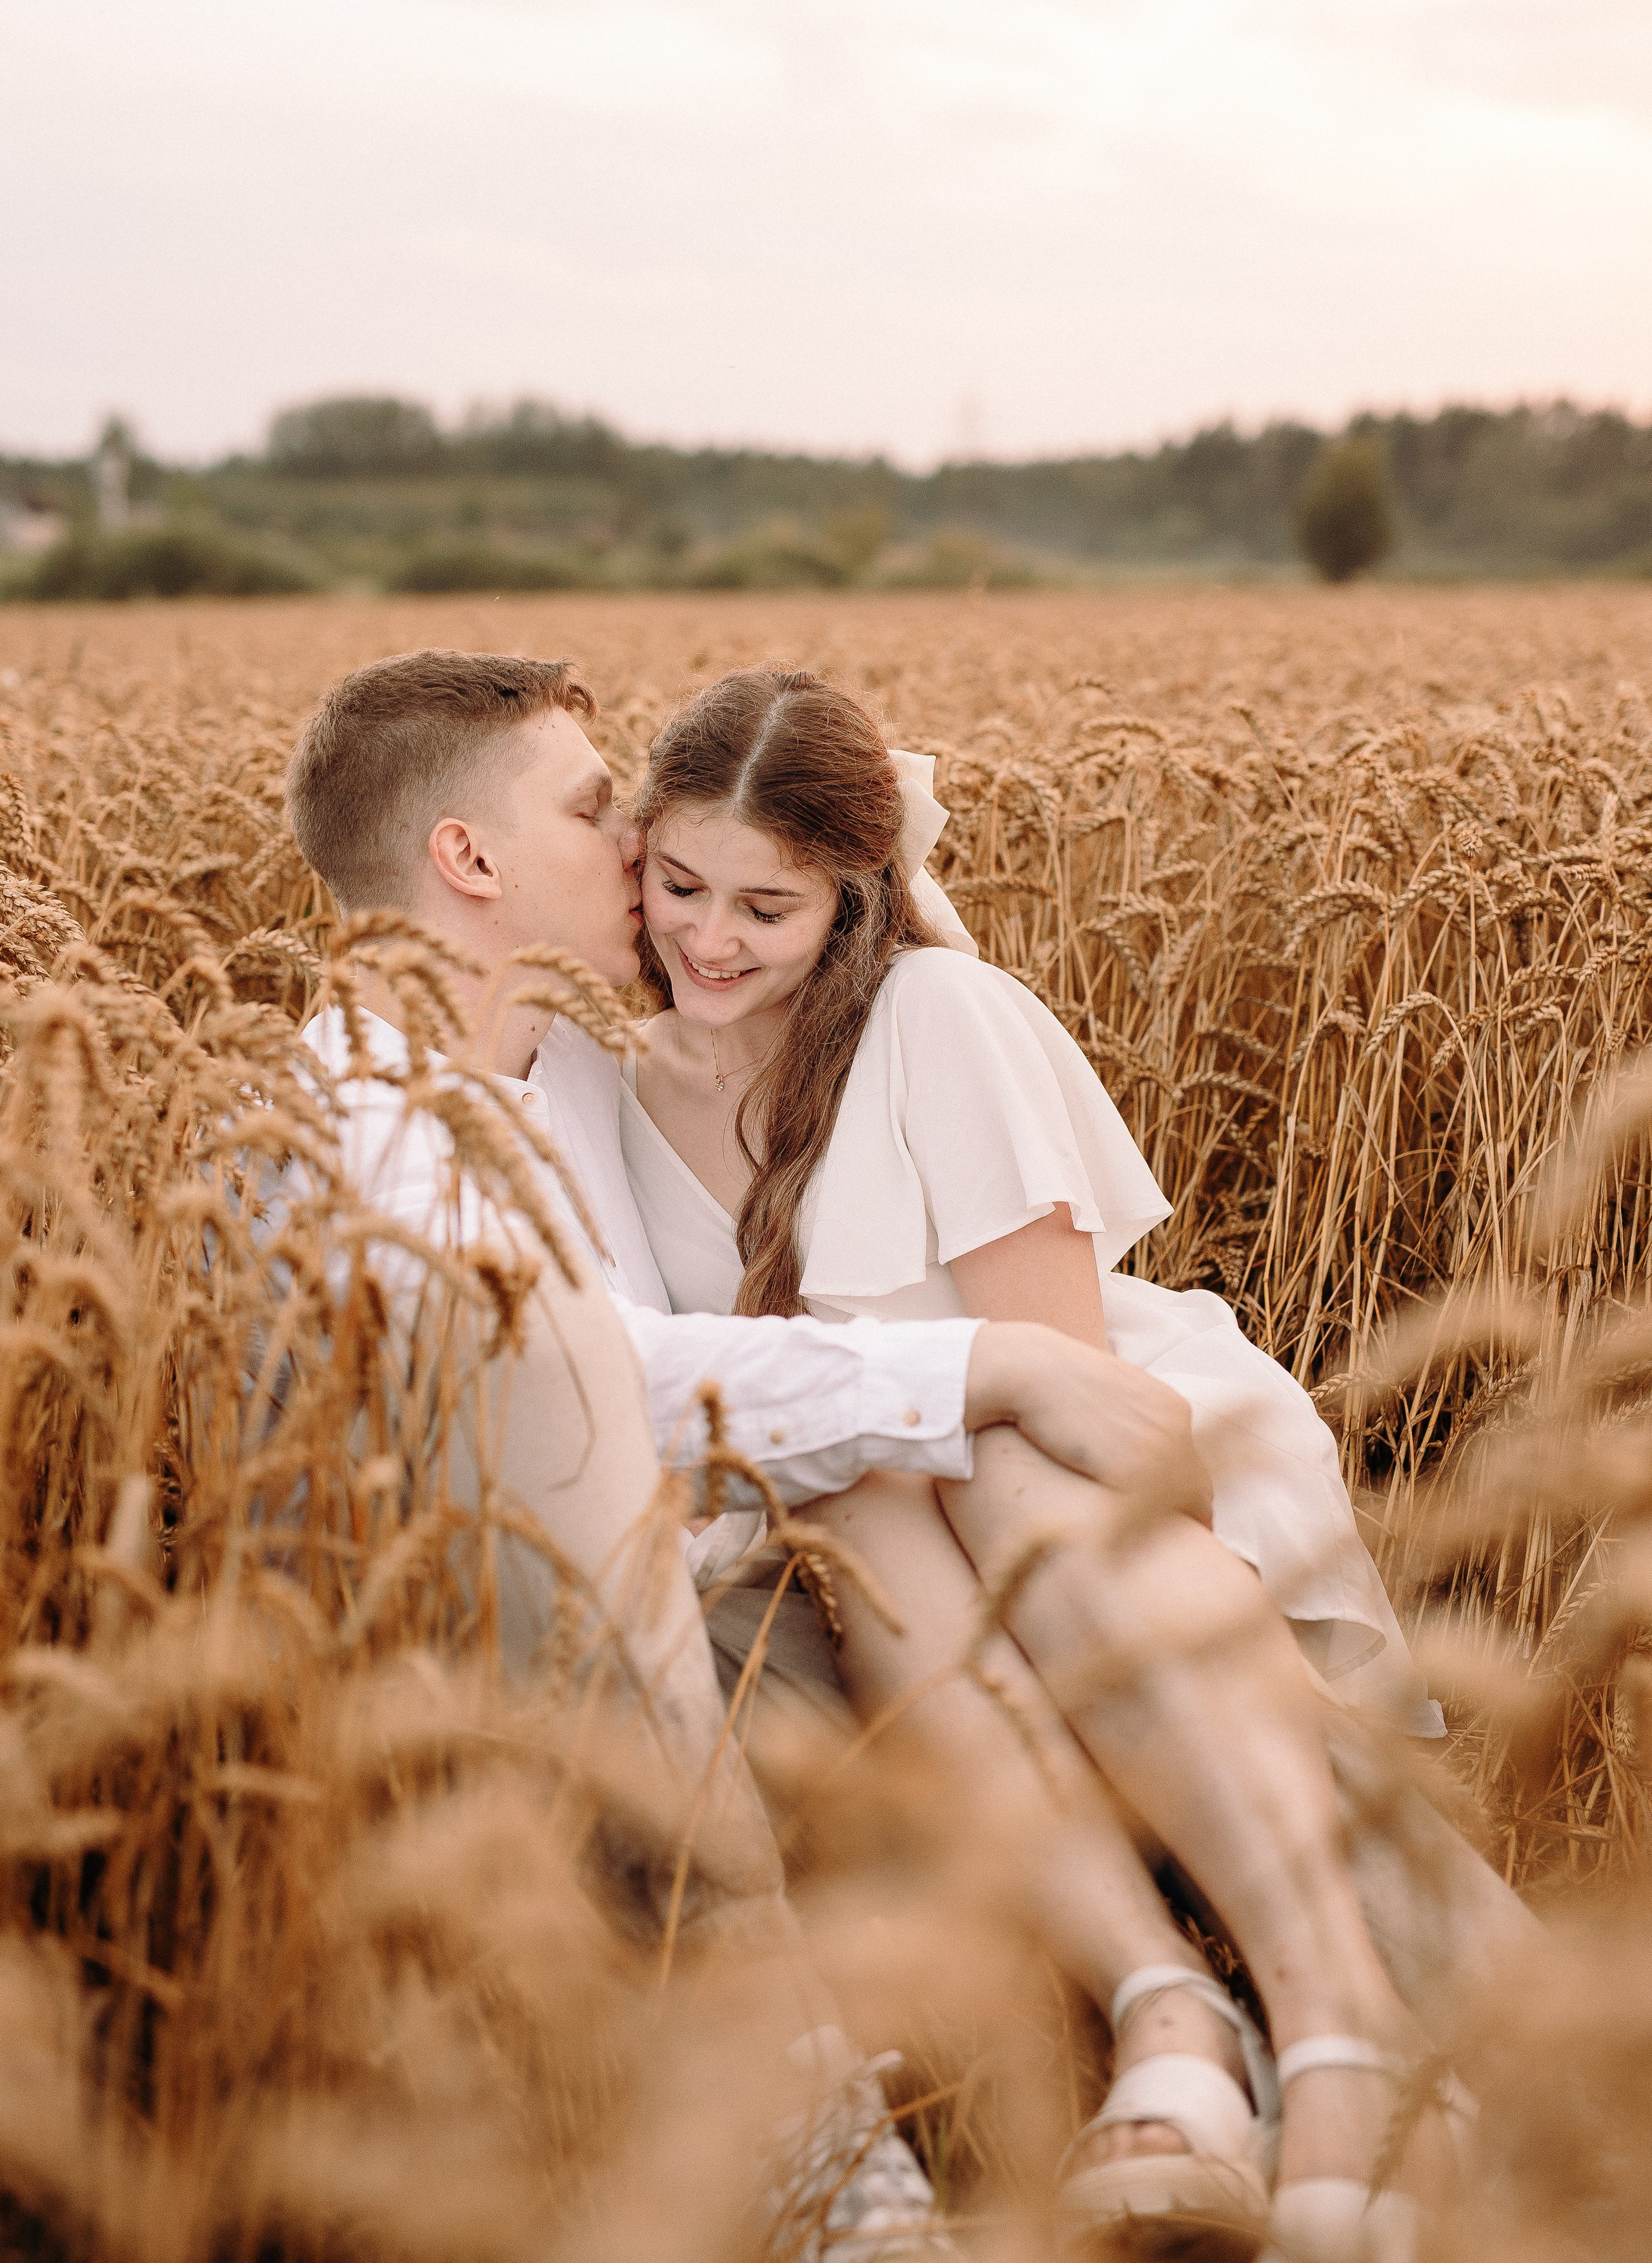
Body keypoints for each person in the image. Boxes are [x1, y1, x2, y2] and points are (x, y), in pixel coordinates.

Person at [283, 649, 1216, 2263]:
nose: (637, 843)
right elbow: (589, 1381)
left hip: (706, 1563)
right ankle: (842, 2171)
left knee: (929, 1527)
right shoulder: (356, 1117)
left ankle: (1164, 2028)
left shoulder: (561, 1054)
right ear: (469, 859)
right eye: (597, 807)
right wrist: (980, 1363)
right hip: (516, 1658)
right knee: (835, 1569)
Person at [619, 667, 1530, 2263]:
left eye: (765, 905)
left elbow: (1064, 1394)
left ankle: (1328, 2034)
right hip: (875, 1511)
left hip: (1091, 1457)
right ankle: (1170, 2010)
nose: (709, 938)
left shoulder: (930, 1015)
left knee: (959, 1453)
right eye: (679, 886)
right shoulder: (616, 1080)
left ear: (851, 898)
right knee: (856, 1477)